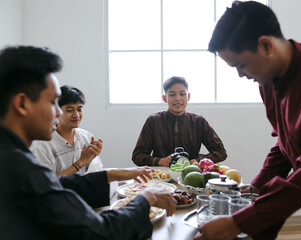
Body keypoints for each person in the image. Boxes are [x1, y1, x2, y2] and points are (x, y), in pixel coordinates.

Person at [195, 1, 301, 240]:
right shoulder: (269, 81)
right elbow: (287, 144)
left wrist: (238, 223)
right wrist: (256, 187)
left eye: (240, 65)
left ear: (265, 44)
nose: (240, 75)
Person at [0, 45, 177, 240]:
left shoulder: (11, 155)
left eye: (79, 108)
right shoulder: (19, 167)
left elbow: (56, 185)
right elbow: (100, 232)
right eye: (52, 103)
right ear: (22, 104)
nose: (58, 113)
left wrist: (115, 173)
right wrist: (146, 198)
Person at [132, 76, 227, 167]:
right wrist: (160, 161)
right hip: (161, 175)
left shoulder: (199, 121)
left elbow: (220, 152)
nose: (178, 98)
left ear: (188, 96)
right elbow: (137, 156)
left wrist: (196, 161)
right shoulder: (153, 120)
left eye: (182, 94)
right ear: (165, 98)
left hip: (190, 174)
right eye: (172, 94)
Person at [30, 85, 104, 176]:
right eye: (69, 110)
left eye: (79, 109)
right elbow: (45, 184)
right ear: (56, 111)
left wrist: (93, 157)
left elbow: (94, 173)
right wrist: (79, 163)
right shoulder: (42, 144)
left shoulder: (87, 137)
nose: (76, 115)